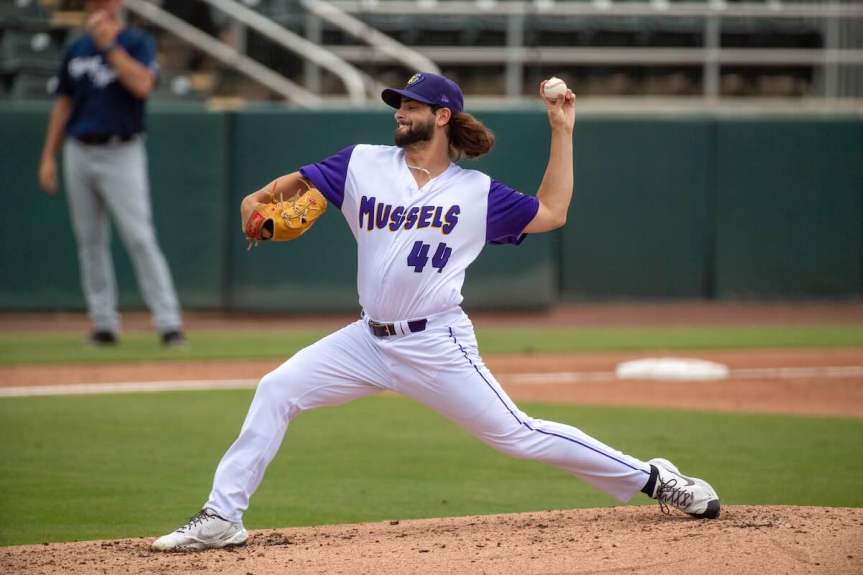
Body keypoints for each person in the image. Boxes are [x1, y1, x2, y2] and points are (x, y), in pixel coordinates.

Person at [152, 72, 719, 551]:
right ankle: (223, 516)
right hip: (367, 340)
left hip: (435, 342)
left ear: (442, 116)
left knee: (517, 434)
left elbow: (552, 212)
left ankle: (654, 478)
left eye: (412, 105)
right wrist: (255, 202)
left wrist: (561, 130)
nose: (400, 112)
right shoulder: (361, 163)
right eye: (398, 105)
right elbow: (285, 188)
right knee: (278, 389)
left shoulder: (475, 192)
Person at [38, 0, 184, 347]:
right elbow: (63, 104)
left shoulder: (136, 42)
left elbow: (142, 85)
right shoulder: (77, 47)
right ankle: (103, 324)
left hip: (122, 150)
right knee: (90, 242)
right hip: (79, 149)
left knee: (140, 237)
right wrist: (48, 157)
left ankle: (169, 324)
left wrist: (109, 47)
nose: (99, 6)